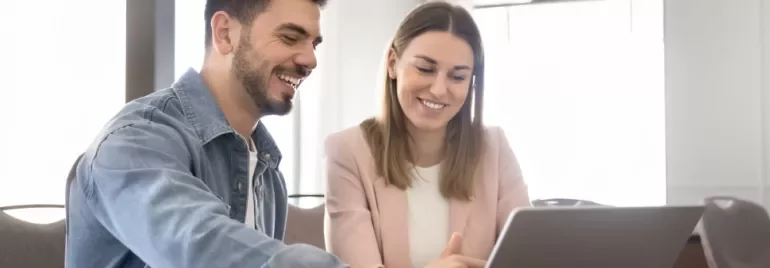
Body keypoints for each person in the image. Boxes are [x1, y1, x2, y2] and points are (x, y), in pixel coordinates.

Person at [65, 0, 346, 267]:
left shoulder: (269, 175)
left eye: (313, 44)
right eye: (289, 37)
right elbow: (199, 244)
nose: (310, 60)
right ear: (224, 34)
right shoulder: (133, 141)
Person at [323, 2, 531, 268]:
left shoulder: (494, 148)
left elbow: (528, 258)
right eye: (425, 69)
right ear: (392, 63)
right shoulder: (347, 152)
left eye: (457, 76)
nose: (439, 90)